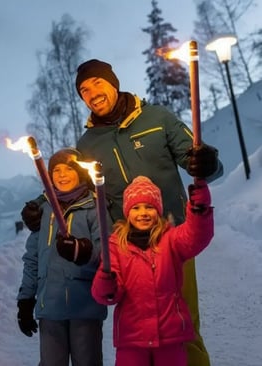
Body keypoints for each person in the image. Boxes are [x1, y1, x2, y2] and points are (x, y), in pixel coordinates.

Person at [73, 59, 222, 366]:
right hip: (128, 252)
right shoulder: (87, 146)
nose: (91, 93)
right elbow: (75, 189)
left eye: (97, 83)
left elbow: (197, 159)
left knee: (183, 327)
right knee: (138, 336)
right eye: (84, 90)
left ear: (113, 83)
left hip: (173, 241)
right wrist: (43, 205)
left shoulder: (157, 118)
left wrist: (207, 164)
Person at [91, 176, 214, 366]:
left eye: (149, 207)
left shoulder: (171, 239)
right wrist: (106, 284)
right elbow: (108, 294)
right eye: (136, 208)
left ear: (158, 210)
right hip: (132, 340)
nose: (143, 213)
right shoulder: (116, 246)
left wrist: (200, 207)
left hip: (170, 338)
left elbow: (196, 236)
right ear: (127, 212)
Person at [16, 147, 111, 366]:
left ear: (80, 173)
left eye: (68, 169)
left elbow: (107, 252)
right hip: (50, 305)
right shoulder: (44, 211)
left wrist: (82, 251)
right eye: (56, 170)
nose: (61, 175)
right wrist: (26, 300)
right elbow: (32, 258)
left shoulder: (95, 208)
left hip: (85, 306)